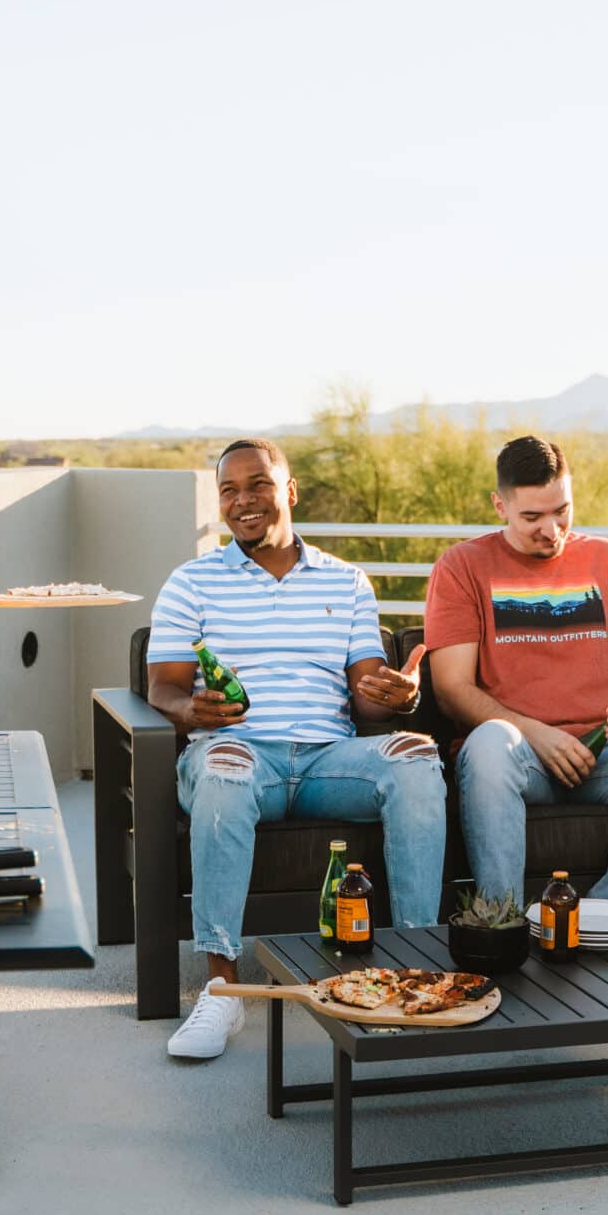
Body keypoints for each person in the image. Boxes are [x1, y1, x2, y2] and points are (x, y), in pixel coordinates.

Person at [149, 440, 444, 1060]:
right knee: (225, 765)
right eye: (228, 491)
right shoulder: (191, 581)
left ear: (290, 490)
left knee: (416, 754)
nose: (242, 501)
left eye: (257, 484)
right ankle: (223, 991)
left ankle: (416, 968)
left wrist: (400, 695)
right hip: (238, 755)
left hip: (327, 761)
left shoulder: (347, 581)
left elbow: (368, 700)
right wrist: (189, 710)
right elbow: (164, 687)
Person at [425, 436, 608, 910]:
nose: (551, 530)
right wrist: (537, 735)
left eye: (562, 511)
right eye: (532, 517)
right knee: (489, 745)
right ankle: (504, 921)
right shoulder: (462, 566)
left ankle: (602, 916)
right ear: (500, 506)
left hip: (603, 753)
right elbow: (452, 690)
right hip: (518, 755)